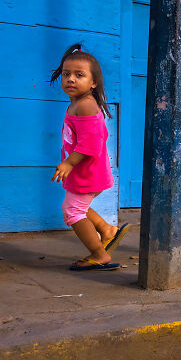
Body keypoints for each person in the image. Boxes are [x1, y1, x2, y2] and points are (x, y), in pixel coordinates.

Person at [50, 44, 128, 271]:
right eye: (66, 74)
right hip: (82, 172)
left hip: (87, 172)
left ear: (93, 82)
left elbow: (91, 143)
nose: (70, 79)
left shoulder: (85, 105)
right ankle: (106, 230)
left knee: (72, 212)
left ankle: (99, 254)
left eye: (79, 75)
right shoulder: (76, 103)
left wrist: (68, 162)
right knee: (77, 206)